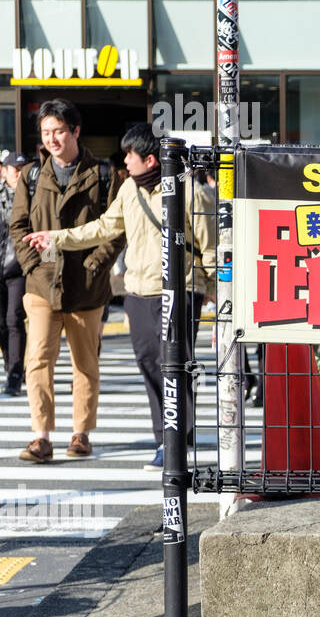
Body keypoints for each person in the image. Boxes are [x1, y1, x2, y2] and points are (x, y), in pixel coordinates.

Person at [25, 126, 216, 469]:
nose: (125, 161)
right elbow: (102, 228)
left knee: (174, 367)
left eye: (130, 155)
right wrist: (56, 238)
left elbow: (212, 248)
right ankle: (171, 437)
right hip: (138, 293)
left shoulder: (190, 192)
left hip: (180, 291)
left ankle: (171, 443)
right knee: (149, 366)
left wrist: (217, 296)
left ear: (151, 159)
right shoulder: (130, 189)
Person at [9, 100, 123, 463]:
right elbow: (19, 226)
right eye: (46, 132)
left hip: (86, 286)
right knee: (37, 359)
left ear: (75, 131)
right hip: (42, 284)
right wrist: (30, 266)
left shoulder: (104, 174)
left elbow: (115, 229)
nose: (52, 139)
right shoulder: (30, 175)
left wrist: (95, 264)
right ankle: (40, 436)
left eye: (59, 130)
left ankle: (81, 433)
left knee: (85, 363)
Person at [0, 150, 29, 396]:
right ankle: (12, 366)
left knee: (14, 319)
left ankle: (16, 374)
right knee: (2, 323)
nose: (18, 175)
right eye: (14, 170)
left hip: (18, 267)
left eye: (22, 170)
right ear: (4, 171)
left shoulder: (33, 195)